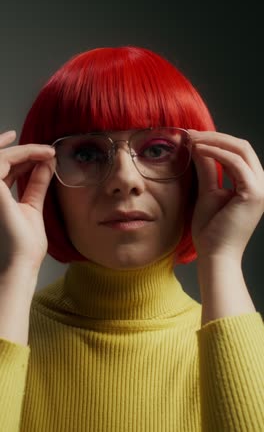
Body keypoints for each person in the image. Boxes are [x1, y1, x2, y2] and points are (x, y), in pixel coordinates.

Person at [0, 46, 263, 431]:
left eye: (157, 149)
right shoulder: (10, 323)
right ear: (45, 176)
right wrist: (15, 272)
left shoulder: (239, 344)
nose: (125, 180)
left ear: (199, 171)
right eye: (88, 153)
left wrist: (221, 258)